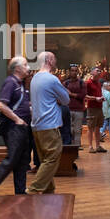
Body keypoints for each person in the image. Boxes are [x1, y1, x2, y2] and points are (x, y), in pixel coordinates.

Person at [0, 56, 32, 199]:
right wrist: (17, 120)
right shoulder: (10, 82)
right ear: (17, 68)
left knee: (22, 160)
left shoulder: (20, 83)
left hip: (22, 127)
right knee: (12, 159)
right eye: (25, 65)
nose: (28, 67)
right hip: (13, 128)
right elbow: (2, 106)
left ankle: (20, 191)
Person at [26, 51, 71, 194]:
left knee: (45, 158)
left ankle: (49, 188)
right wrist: (58, 98)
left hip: (37, 125)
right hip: (49, 125)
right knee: (52, 158)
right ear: (50, 61)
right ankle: (34, 189)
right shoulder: (51, 79)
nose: (56, 61)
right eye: (54, 59)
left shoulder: (34, 78)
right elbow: (66, 100)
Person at [63, 64, 86, 148]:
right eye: (72, 70)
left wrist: (71, 94)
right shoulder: (65, 83)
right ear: (69, 71)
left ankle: (76, 147)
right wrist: (75, 95)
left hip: (79, 109)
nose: (74, 72)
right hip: (68, 109)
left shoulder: (81, 83)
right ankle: (70, 148)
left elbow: (82, 95)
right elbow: (63, 95)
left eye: (75, 70)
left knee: (77, 130)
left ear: (77, 71)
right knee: (69, 129)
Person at [84, 65, 106, 153]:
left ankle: (98, 146)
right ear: (92, 72)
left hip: (99, 108)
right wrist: (95, 98)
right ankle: (90, 147)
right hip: (92, 108)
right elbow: (85, 96)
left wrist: (101, 97)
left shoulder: (98, 83)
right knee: (90, 128)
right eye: (97, 71)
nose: (99, 72)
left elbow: (98, 93)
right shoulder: (88, 83)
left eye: (100, 71)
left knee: (97, 127)